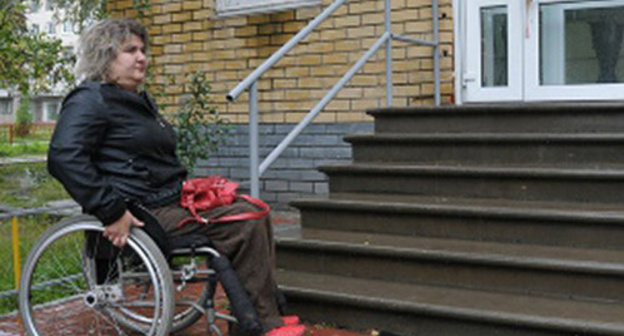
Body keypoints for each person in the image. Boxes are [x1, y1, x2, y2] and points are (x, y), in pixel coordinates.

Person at [47, 18, 304, 336]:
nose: (142, 57)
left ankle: (263, 313)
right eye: (130, 50)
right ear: (105, 56)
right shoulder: (89, 100)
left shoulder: (137, 102)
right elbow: (63, 157)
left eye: (143, 50)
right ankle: (260, 324)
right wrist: (111, 210)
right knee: (244, 220)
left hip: (168, 198)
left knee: (254, 209)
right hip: (138, 210)